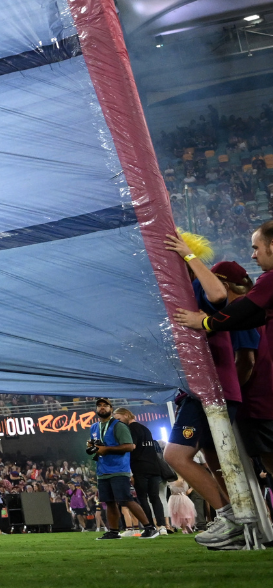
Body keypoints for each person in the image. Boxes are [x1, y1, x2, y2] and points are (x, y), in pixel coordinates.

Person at [168, 224, 273, 548]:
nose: (253, 254)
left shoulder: (198, 289)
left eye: (257, 247)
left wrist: (187, 252)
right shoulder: (180, 292)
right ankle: (243, 524)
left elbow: (219, 298)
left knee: (177, 456)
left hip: (214, 392)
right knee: (222, 465)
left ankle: (231, 518)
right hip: (208, 391)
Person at [86, 398, 137, 540]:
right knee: (109, 502)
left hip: (118, 468)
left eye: (105, 405)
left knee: (125, 500)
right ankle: (113, 532)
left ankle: (150, 527)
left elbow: (129, 446)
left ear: (111, 408)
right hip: (102, 469)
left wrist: (106, 449)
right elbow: (97, 446)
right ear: (96, 409)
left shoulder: (118, 425)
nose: (102, 408)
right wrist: (93, 447)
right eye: (99, 406)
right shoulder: (94, 427)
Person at [117, 407, 167, 538]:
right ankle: (162, 526)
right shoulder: (146, 429)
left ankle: (149, 526)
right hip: (154, 468)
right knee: (155, 498)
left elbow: (131, 448)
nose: (118, 422)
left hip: (140, 468)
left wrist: (130, 472)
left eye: (119, 418)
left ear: (126, 415)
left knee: (143, 498)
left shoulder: (131, 429)